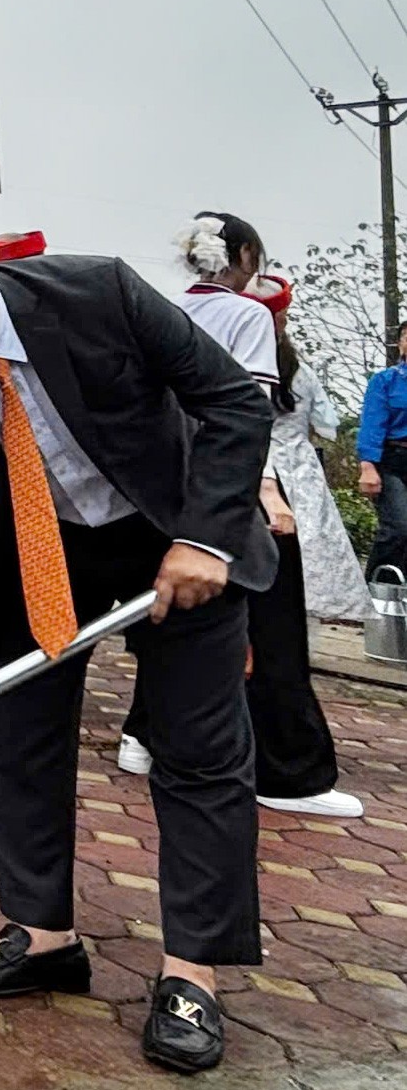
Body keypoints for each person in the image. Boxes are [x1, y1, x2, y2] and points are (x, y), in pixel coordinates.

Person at [0, 205, 275, 1076]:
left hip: (173, 531)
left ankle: (192, 971)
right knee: (23, 737)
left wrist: (206, 536)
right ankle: (43, 935)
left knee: (196, 749)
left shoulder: (98, 294)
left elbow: (232, 400)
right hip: (40, 545)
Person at [118, 214, 359, 819]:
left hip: (159, 486)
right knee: (271, 625)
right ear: (246, 256)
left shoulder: (162, 308)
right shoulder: (246, 315)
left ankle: (144, 735)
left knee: (176, 617)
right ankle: (287, 771)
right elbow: (244, 415)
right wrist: (266, 493)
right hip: (230, 486)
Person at [247, 272, 371, 623]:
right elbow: (326, 424)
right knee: (309, 541)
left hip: (256, 459)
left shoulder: (242, 363)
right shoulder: (301, 372)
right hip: (299, 466)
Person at [360, 323, 407, 580]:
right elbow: (372, 424)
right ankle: (379, 586)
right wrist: (367, 466)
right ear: (400, 344)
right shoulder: (385, 381)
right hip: (393, 459)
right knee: (399, 527)